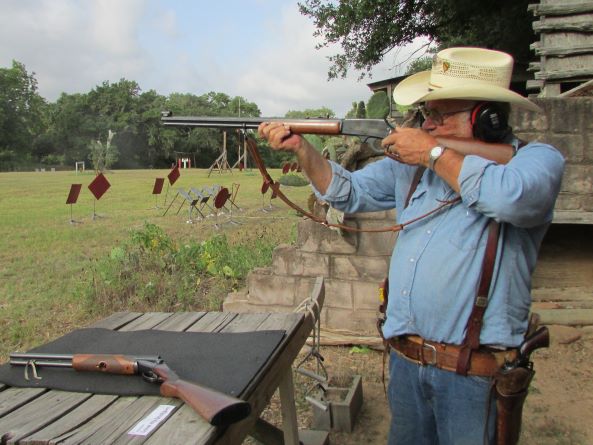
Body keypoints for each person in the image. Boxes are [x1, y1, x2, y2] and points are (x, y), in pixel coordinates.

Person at [258, 47, 564, 444]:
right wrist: (303, 149)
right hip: (407, 362)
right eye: (425, 114)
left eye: (440, 115)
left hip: (475, 374)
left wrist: (433, 153)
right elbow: (347, 192)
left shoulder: (536, 160)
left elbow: (510, 199)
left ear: (486, 118)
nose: (427, 125)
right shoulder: (413, 165)